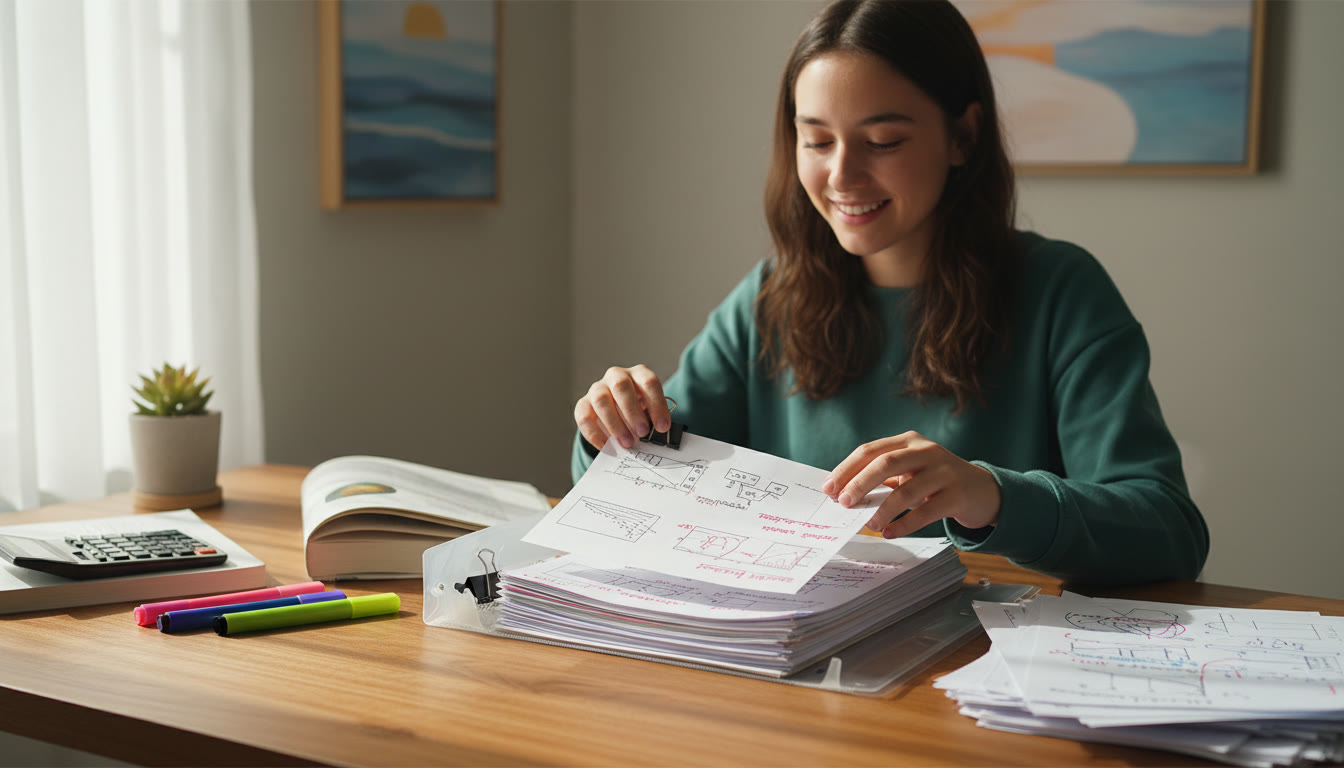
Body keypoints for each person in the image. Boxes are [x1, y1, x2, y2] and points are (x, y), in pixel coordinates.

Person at [570, 0, 1208, 585]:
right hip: (816, 665)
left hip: (995, 667)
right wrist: (617, 433)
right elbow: (649, 483)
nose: (841, 174)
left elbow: (1169, 532)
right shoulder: (770, 299)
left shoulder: (1060, 292)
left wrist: (990, 494)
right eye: (816, 140)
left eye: (883, 142)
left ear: (963, 136)